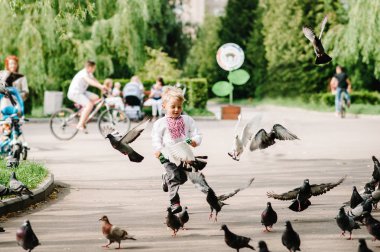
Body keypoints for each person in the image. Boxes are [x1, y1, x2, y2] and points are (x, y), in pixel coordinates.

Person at [151, 86, 202, 214]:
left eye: (179, 107)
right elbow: (156, 138)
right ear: (164, 106)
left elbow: (196, 134)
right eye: (173, 106)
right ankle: (174, 203)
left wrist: (195, 141)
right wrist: (158, 149)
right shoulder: (160, 123)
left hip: (183, 155)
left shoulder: (187, 120)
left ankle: (165, 179)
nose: (176, 110)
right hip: (167, 155)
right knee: (174, 176)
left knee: (182, 178)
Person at [67, 60, 108, 132]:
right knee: (89, 105)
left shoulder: (89, 73)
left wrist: (101, 86)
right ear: (89, 67)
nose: (94, 70)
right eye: (93, 68)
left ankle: (83, 113)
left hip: (82, 92)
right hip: (75, 93)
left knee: (96, 97)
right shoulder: (83, 73)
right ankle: (80, 124)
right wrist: (100, 87)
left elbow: (94, 80)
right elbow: (90, 81)